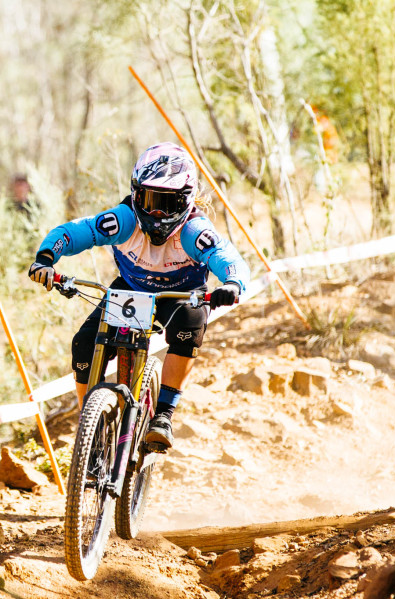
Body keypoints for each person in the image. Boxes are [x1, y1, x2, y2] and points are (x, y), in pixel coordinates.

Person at [28, 142, 250, 449]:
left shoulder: (193, 231)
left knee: (190, 324)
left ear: (186, 201)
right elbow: (76, 231)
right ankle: (88, 428)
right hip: (131, 290)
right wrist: (46, 257)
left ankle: (163, 415)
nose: (157, 212)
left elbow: (227, 257)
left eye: (167, 203)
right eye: (149, 199)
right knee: (83, 345)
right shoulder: (125, 220)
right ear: (135, 194)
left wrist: (233, 284)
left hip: (181, 295)